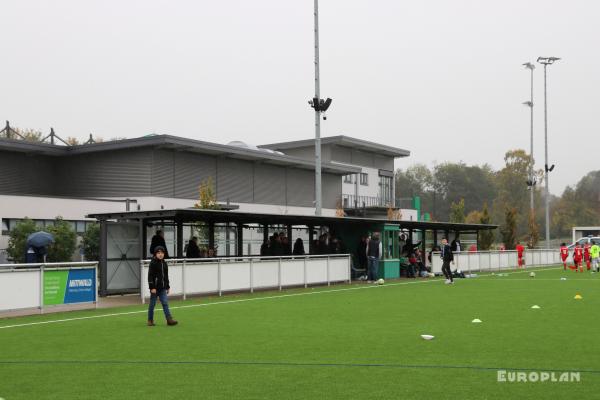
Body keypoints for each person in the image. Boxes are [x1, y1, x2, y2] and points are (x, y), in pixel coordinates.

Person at [147, 246, 177, 326]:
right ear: (155, 254)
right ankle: (150, 320)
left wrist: (167, 286)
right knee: (152, 304)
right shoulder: (153, 263)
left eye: (162, 253)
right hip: (155, 289)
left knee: (165, 303)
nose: (160, 254)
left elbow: (166, 276)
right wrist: (152, 287)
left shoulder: (164, 263)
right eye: (158, 253)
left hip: (163, 288)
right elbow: (150, 276)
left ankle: (169, 320)